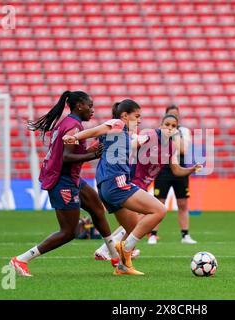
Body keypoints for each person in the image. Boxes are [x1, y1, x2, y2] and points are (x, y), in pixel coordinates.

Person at [9, 91, 119, 277]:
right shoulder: (73, 127)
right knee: (69, 232)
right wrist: (93, 154)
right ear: (79, 106)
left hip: (70, 177)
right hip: (62, 179)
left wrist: (89, 149)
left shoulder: (69, 123)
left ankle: (115, 257)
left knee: (97, 208)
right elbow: (66, 157)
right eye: (89, 106)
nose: (92, 109)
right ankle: (21, 259)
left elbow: (67, 151)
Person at [63, 99, 167, 276]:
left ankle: (123, 266)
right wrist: (75, 137)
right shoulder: (117, 123)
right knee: (159, 210)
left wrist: (143, 139)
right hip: (117, 183)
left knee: (133, 226)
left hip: (106, 185)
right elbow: (97, 129)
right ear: (125, 115)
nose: (139, 120)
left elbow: (121, 140)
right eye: (137, 116)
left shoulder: (123, 133)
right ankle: (126, 249)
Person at [93, 114, 201, 260]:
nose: (169, 128)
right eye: (166, 124)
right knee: (140, 219)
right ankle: (114, 248)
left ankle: (115, 249)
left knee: (135, 221)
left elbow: (176, 170)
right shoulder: (150, 136)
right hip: (131, 181)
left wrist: (192, 169)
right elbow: (131, 144)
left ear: (176, 130)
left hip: (142, 185)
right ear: (161, 125)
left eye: (173, 126)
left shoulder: (171, 147)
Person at [150, 105, 197, 245]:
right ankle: (153, 235)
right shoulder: (158, 133)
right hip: (163, 169)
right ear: (165, 116)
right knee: (159, 202)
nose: (173, 118)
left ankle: (185, 235)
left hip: (180, 169)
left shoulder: (183, 131)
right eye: (170, 115)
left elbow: (183, 150)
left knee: (183, 203)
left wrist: (174, 135)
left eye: (175, 115)